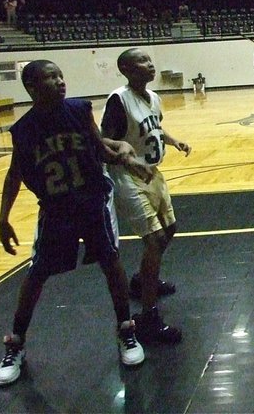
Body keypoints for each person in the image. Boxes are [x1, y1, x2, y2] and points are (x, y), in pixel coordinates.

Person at [0, 60, 150, 386]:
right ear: (32, 88)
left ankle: (126, 330)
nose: (60, 81)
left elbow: (99, 149)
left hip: (92, 201)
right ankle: (16, 343)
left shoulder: (79, 111)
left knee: (111, 262)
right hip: (56, 209)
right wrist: (3, 218)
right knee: (37, 273)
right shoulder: (24, 130)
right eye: (51, 77)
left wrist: (128, 158)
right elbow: (14, 174)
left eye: (60, 74)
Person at [101, 48, 191, 344]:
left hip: (152, 172)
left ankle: (142, 282)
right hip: (128, 176)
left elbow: (155, 126)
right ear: (126, 69)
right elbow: (102, 140)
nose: (150, 65)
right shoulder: (119, 100)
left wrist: (173, 140)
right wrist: (128, 160)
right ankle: (148, 318)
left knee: (170, 230)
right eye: (142, 61)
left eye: (150, 60)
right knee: (152, 240)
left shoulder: (153, 98)